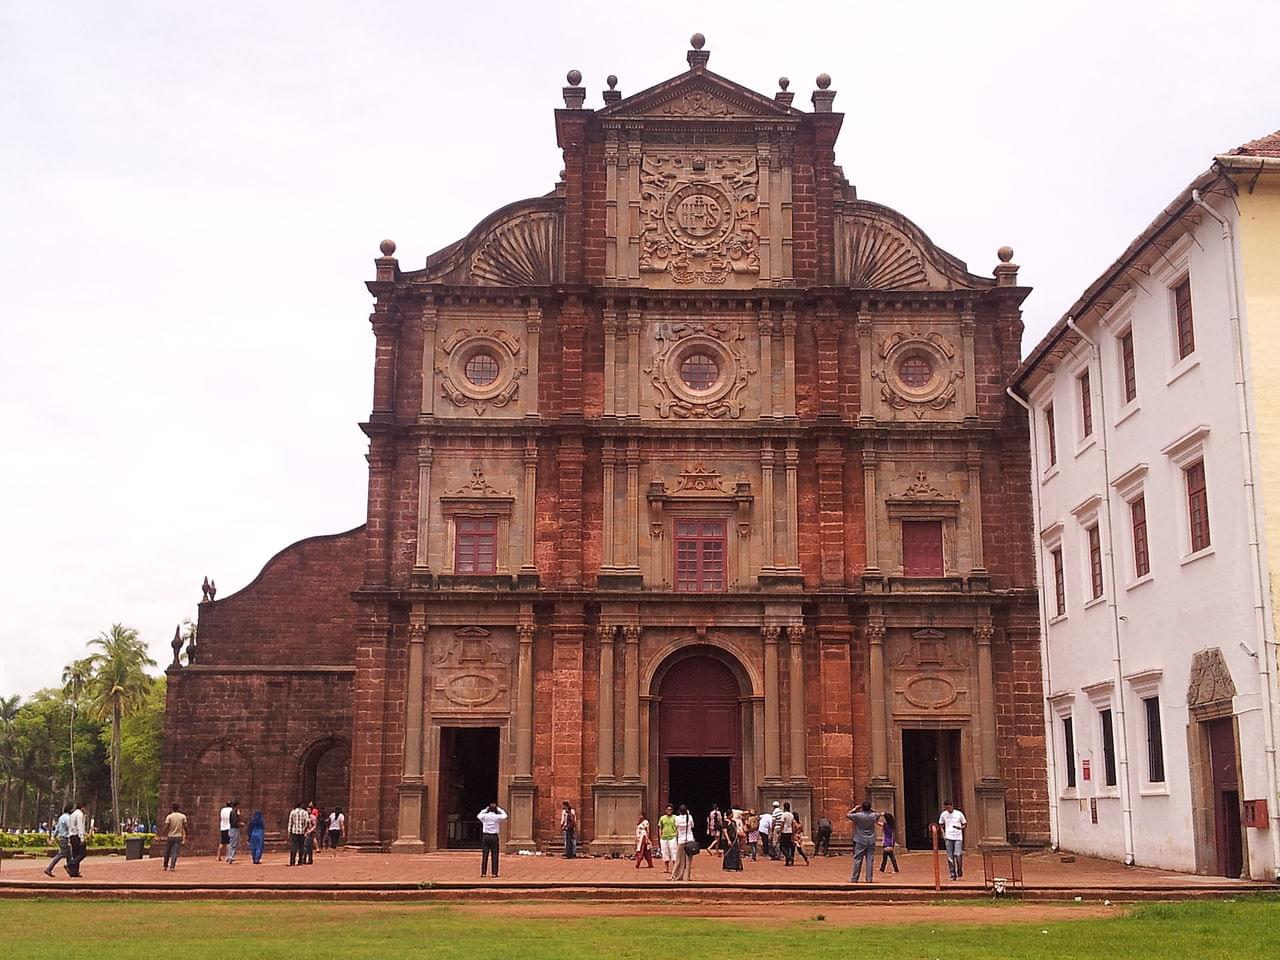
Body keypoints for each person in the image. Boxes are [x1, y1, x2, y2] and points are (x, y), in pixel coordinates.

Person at [847, 801, 880, 883]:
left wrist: (855, 808)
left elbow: (848, 815)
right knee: (870, 860)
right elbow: (878, 814)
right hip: (871, 840)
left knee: (857, 859)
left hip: (860, 839)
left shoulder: (858, 816)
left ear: (862, 808)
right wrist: (871, 809)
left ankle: (855, 878)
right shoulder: (873, 815)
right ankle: (869, 879)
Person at [939, 800, 967, 880]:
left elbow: (964, 824)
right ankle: (952, 874)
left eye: (949, 807)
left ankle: (959, 870)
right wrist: (943, 832)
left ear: (952, 806)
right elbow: (941, 824)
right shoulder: (944, 814)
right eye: (947, 807)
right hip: (948, 837)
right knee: (950, 856)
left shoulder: (958, 814)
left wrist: (960, 828)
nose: (948, 808)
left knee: (958, 855)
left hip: (958, 837)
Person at [477, 802, 507, 878]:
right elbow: (505, 815)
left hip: (486, 836)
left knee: (485, 855)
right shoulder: (497, 817)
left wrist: (485, 809)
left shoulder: (485, 816)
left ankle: (483, 873)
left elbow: (478, 815)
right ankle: (494, 873)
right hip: (494, 836)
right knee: (495, 855)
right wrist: (499, 809)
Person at [44, 804, 73, 877]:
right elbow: (70, 828)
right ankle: (49, 868)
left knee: (69, 855)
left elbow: (57, 829)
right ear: (70, 810)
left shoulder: (61, 817)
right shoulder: (68, 818)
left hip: (61, 838)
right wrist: (70, 839)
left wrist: (53, 836)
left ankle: (70, 869)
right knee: (60, 854)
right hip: (65, 838)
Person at [670, 804, 696, 881]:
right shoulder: (690, 817)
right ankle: (687, 876)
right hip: (690, 839)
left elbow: (676, 826)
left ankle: (675, 875)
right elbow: (692, 826)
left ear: (679, 811)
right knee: (689, 860)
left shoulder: (677, 818)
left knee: (678, 859)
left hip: (681, 840)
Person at [160, 803, 188, 872]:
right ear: (178, 808)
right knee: (175, 852)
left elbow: (166, 826)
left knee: (167, 851)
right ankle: (172, 866)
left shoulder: (169, 817)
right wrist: (187, 833)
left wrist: (162, 834)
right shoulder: (182, 816)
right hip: (178, 836)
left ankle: (165, 866)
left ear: (172, 808)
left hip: (170, 835)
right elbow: (185, 826)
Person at [66, 802, 87, 878]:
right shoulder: (79, 814)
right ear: (82, 807)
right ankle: (71, 864)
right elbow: (80, 826)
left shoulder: (72, 814)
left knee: (76, 854)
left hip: (72, 836)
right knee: (82, 853)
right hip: (77, 836)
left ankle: (74, 871)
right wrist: (82, 838)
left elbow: (70, 826)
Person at [657, 804, 678, 876]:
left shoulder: (675, 817)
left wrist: (676, 834)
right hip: (664, 837)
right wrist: (660, 836)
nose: (669, 811)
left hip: (672, 837)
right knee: (665, 852)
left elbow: (677, 827)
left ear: (672, 810)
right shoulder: (662, 818)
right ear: (666, 810)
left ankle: (675, 868)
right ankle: (666, 868)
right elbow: (660, 827)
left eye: (670, 809)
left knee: (673, 852)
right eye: (668, 809)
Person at [288, 801, 309, 866]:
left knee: (293, 846)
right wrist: (305, 829)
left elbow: (290, 822)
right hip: (302, 832)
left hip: (294, 831)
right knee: (301, 847)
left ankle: (292, 861)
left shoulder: (293, 812)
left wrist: (289, 831)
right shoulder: (304, 812)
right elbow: (307, 822)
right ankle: (300, 861)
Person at [777, 802, 796, 866]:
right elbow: (793, 824)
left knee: (781, 847)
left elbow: (782, 824)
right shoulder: (791, 815)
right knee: (787, 847)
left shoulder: (784, 815)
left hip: (784, 832)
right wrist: (793, 833)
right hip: (790, 832)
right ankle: (787, 862)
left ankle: (788, 856)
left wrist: (780, 831)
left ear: (784, 807)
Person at [225, 799, 243, 864]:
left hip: (232, 828)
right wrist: (240, 824)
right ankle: (231, 857)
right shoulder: (234, 812)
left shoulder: (233, 812)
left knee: (231, 843)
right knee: (233, 843)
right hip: (234, 829)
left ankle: (228, 856)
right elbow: (234, 822)